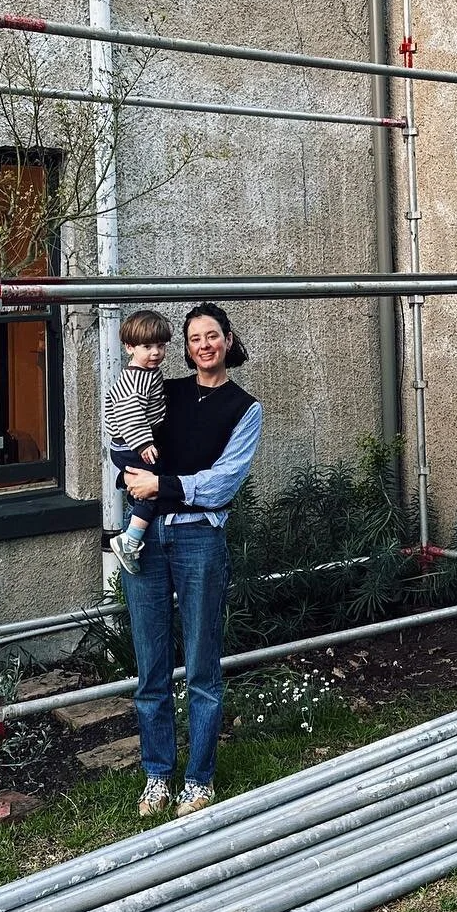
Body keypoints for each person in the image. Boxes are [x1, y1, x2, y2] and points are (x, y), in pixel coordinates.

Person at [121, 302, 262, 819]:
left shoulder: (245, 408)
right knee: (150, 663)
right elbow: (125, 428)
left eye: (212, 336)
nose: (204, 345)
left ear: (227, 340)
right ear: (186, 347)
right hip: (147, 535)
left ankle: (198, 778)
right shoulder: (163, 391)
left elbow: (223, 482)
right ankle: (157, 774)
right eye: (194, 338)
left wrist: (164, 484)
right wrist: (128, 472)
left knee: (202, 662)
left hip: (200, 537)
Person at [103, 308, 173, 574]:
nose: (155, 352)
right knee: (151, 489)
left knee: (151, 480)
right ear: (129, 347)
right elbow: (130, 415)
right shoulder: (134, 379)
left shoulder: (147, 371)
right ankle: (129, 540)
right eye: (147, 346)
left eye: (160, 345)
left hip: (132, 443)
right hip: (130, 444)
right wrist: (144, 445)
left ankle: (126, 483)